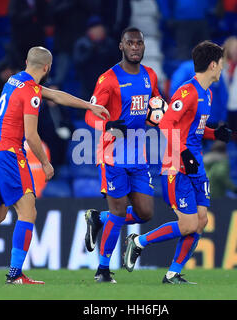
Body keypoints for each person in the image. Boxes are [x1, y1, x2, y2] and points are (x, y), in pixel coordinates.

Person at [0, 46, 109, 285]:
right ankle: (15, 274)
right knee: (28, 212)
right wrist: (46, 164)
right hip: (9, 154)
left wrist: (89, 106)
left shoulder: (16, 80)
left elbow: (56, 96)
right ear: (47, 68)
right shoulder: (32, 92)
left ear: (27, 62)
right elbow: (31, 135)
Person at [123, 41, 232, 284]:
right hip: (177, 164)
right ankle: (138, 242)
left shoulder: (208, 93)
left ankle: (173, 273)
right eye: (221, 63)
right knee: (188, 224)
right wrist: (183, 153)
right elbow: (166, 124)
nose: (223, 68)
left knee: (201, 221)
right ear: (213, 65)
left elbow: (194, 129)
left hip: (196, 164)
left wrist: (216, 133)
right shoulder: (187, 91)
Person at [83, 27, 161, 283]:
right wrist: (107, 125)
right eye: (130, 43)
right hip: (112, 154)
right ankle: (103, 270)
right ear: (121, 46)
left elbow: (156, 106)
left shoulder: (150, 75)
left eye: (139, 43)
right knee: (118, 212)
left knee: (145, 213)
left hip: (139, 155)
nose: (136, 47)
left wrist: (160, 116)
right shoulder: (108, 79)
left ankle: (98, 218)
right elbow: (89, 114)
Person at [73, 16, 118, 102]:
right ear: (89, 31)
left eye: (99, 28)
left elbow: (116, 64)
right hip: (87, 85)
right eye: (94, 29)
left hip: (106, 84)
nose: (98, 31)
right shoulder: (82, 44)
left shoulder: (110, 43)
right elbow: (78, 63)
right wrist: (91, 51)